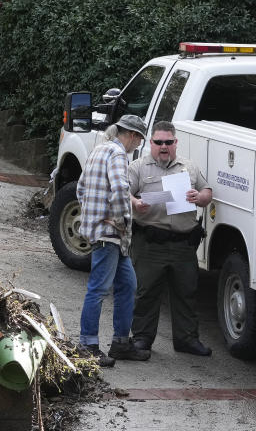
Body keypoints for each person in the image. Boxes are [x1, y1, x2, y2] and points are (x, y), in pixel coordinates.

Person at [128, 121, 214, 356]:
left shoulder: (189, 167)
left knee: (186, 292)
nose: (163, 147)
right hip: (150, 243)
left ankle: (187, 340)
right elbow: (122, 193)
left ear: (175, 143)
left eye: (168, 142)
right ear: (151, 143)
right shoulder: (138, 167)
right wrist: (135, 202)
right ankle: (142, 339)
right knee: (146, 293)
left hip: (183, 244)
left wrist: (200, 197)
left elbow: (207, 191)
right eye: (158, 142)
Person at [77, 114, 152, 367]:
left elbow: (80, 188)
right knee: (98, 289)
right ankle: (87, 345)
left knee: (128, 285)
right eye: (139, 140)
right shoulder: (119, 153)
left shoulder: (98, 150)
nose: (137, 146)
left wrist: (92, 214)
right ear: (131, 135)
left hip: (107, 234)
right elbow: (121, 189)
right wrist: (122, 219)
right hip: (110, 234)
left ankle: (120, 343)